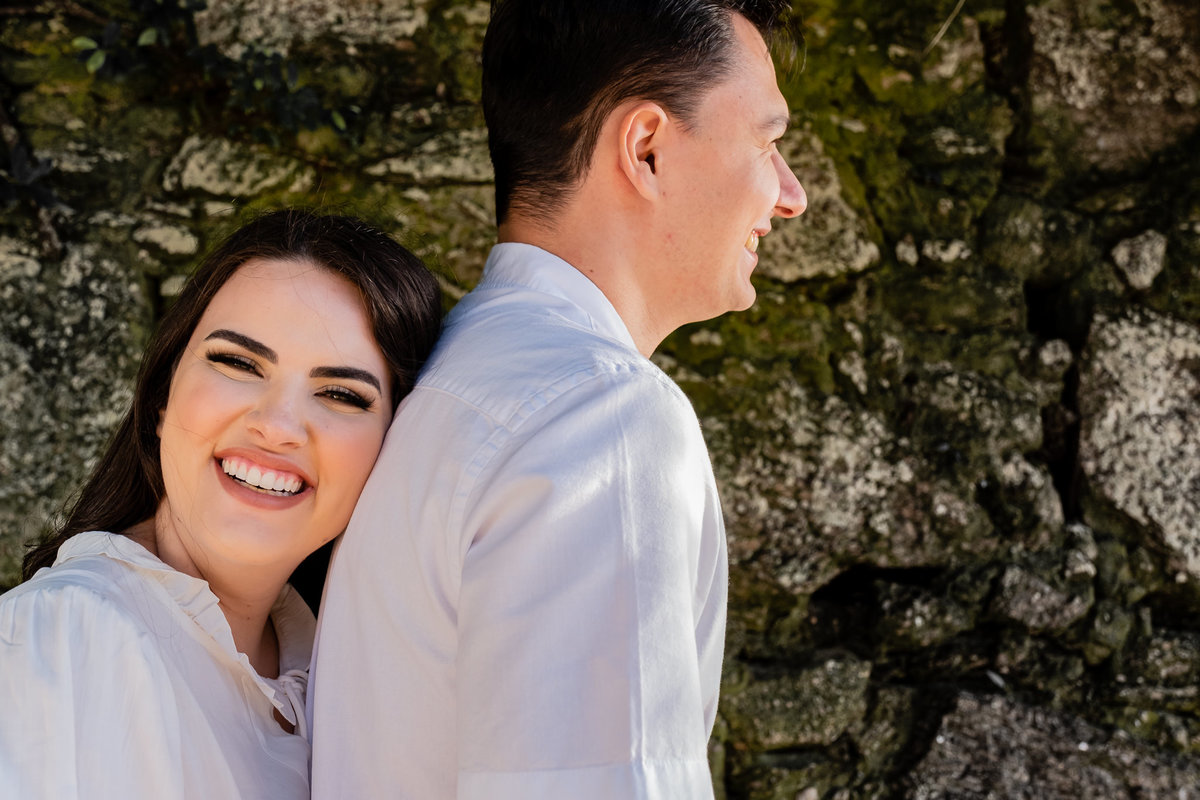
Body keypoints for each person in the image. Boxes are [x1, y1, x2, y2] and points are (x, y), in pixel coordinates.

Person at [309, 1, 807, 797]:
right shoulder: (603, 421)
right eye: (768, 143)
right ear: (646, 149)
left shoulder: (450, 376)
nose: (792, 195)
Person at [0, 210, 442, 799]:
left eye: (340, 394)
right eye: (237, 363)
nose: (278, 425)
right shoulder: (65, 634)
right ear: (162, 396)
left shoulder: (344, 684)